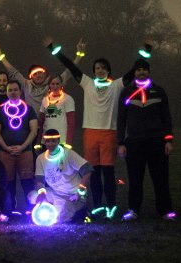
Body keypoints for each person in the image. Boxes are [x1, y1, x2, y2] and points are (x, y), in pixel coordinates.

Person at [44, 37, 148, 219]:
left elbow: (134, 70)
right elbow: (70, 65)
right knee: (94, 172)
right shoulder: (87, 83)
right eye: (97, 68)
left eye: (103, 68)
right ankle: (98, 206)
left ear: (108, 70)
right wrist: (54, 48)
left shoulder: (116, 85)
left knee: (108, 173)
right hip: (90, 133)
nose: (99, 70)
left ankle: (111, 207)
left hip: (109, 133)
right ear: (93, 71)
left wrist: (146, 49)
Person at [117, 59, 176, 221]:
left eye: (144, 70)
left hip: (157, 142)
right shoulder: (126, 92)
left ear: (148, 72)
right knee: (135, 179)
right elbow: (121, 119)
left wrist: (168, 140)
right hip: (134, 142)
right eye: (138, 70)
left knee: (161, 179)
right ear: (134, 73)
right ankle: (134, 210)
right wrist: (121, 143)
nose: (141, 72)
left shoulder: (159, 91)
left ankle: (165, 211)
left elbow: (166, 117)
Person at [0, 40, 85, 115]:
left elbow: (69, 71)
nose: (38, 75)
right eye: (35, 74)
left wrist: (79, 54)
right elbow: (13, 71)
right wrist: (0, 55)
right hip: (33, 125)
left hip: (50, 122)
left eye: (40, 72)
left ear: (44, 74)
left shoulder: (52, 83)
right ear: (31, 77)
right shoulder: (26, 84)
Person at [28, 129, 92, 223]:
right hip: (55, 193)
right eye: (48, 141)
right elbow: (39, 180)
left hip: (73, 196)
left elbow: (88, 170)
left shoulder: (69, 154)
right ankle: (56, 207)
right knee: (32, 196)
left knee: (58, 219)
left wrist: (79, 192)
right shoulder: (41, 158)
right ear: (44, 142)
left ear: (58, 141)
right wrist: (42, 194)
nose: (50, 144)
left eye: (53, 141)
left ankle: (83, 212)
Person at [0, 80, 38, 212]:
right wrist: (6, 148)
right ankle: (9, 210)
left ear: (20, 91)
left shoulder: (29, 110)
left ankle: (31, 210)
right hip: (6, 153)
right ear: (6, 93)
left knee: (27, 182)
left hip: (25, 152)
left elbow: (34, 130)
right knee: (8, 183)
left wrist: (23, 146)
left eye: (15, 89)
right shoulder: (0, 111)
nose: (13, 92)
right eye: (10, 90)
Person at [37, 75, 76, 147]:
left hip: (61, 141)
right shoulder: (45, 99)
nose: (55, 87)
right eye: (53, 84)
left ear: (61, 84)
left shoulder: (68, 99)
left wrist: (68, 142)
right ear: (49, 85)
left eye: (57, 84)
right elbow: (41, 122)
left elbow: (71, 122)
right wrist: (38, 142)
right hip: (46, 140)